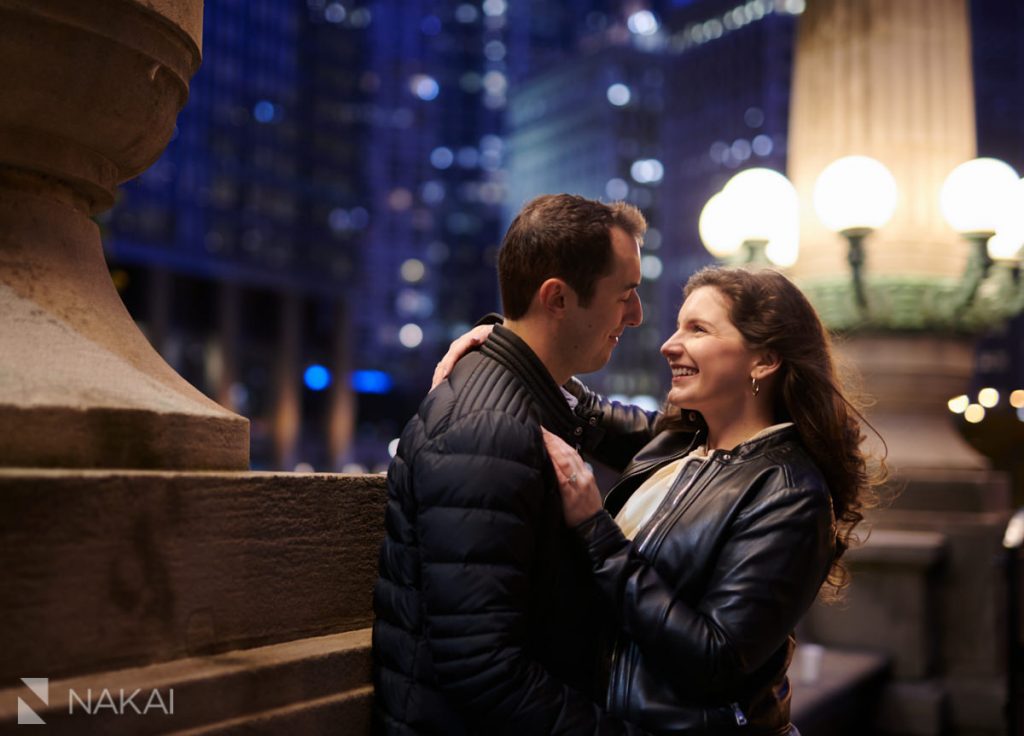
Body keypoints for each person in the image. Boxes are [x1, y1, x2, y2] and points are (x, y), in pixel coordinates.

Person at [436, 266, 881, 735]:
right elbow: (583, 411)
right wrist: (506, 341)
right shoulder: (680, 442)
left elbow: (716, 657)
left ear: (764, 360)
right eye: (677, 325)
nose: (670, 344)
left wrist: (594, 529)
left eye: (698, 329)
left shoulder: (790, 492)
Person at [372, 193, 654, 734]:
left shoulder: (532, 394)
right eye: (626, 295)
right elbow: (484, 672)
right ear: (557, 298)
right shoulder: (487, 430)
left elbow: (629, 430)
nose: (637, 316)